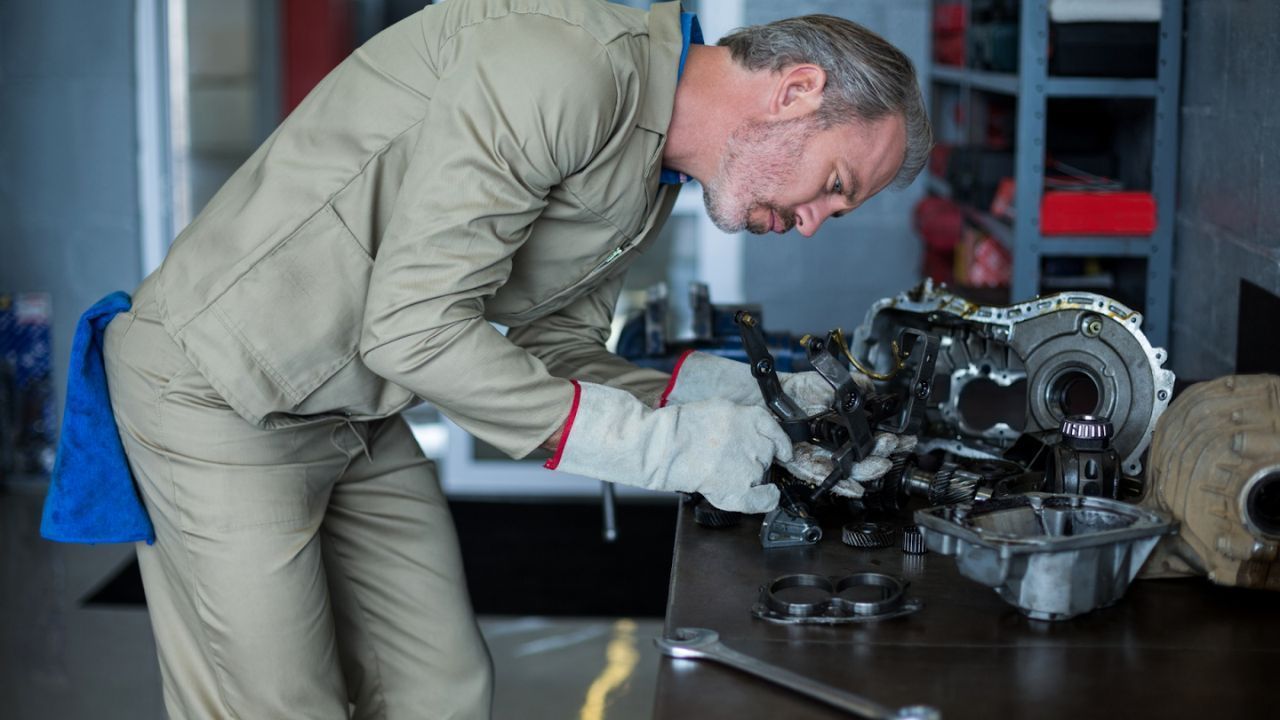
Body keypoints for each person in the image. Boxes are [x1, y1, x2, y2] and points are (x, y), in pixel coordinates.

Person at [102, 0, 930, 716]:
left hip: (354, 401)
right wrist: (666, 446)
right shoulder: (565, 69)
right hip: (217, 390)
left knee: (440, 689)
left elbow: (557, 350)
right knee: (282, 708)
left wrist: (754, 399)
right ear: (796, 92)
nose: (817, 219)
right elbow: (414, 327)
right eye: (835, 185)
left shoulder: (650, 175)